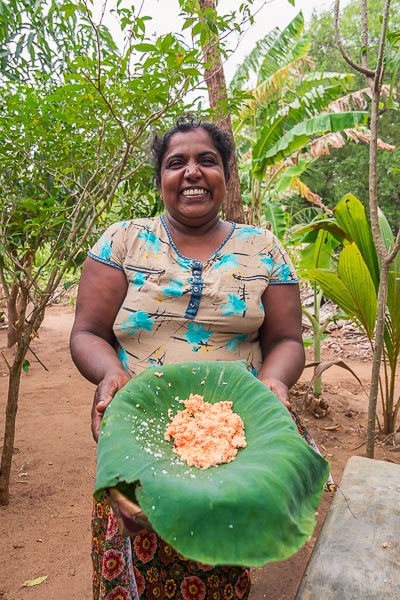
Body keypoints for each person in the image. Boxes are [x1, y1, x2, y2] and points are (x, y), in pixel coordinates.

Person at [70, 116, 308, 600]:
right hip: (138, 423)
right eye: (177, 162)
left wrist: (275, 384)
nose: (192, 172)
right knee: (139, 533)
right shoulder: (123, 241)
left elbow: (286, 340)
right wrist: (111, 374)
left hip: (232, 431)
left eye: (208, 161)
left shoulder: (262, 249)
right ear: (161, 179)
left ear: (227, 174)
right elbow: (88, 333)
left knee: (218, 547)